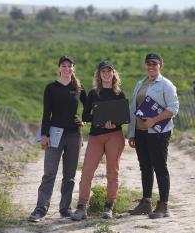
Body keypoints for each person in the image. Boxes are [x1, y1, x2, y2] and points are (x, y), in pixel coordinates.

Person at [28, 55, 86, 222]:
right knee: (49, 173)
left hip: (74, 136)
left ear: (73, 68)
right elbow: (47, 113)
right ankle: (40, 209)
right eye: (64, 66)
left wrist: (83, 120)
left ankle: (65, 209)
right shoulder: (51, 88)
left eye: (70, 66)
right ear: (59, 68)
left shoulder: (78, 87)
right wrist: (44, 135)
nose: (67, 69)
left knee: (69, 175)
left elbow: (89, 107)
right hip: (54, 134)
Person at [71, 60, 126, 221]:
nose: (106, 74)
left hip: (114, 136)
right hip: (96, 136)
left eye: (109, 71)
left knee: (112, 172)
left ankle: (108, 206)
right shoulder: (94, 94)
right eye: (103, 72)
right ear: (99, 75)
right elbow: (85, 116)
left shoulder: (119, 94)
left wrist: (114, 123)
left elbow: (123, 117)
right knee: (87, 171)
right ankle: (82, 207)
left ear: (113, 74)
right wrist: (99, 119)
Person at [127, 53, 179, 219]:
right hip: (141, 133)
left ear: (160, 66)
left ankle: (163, 205)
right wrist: (132, 133)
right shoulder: (140, 83)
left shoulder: (166, 85)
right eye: (148, 64)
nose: (151, 67)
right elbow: (133, 110)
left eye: (154, 64)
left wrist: (154, 120)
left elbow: (173, 108)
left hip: (158, 133)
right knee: (145, 167)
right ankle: (146, 202)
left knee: (160, 167)